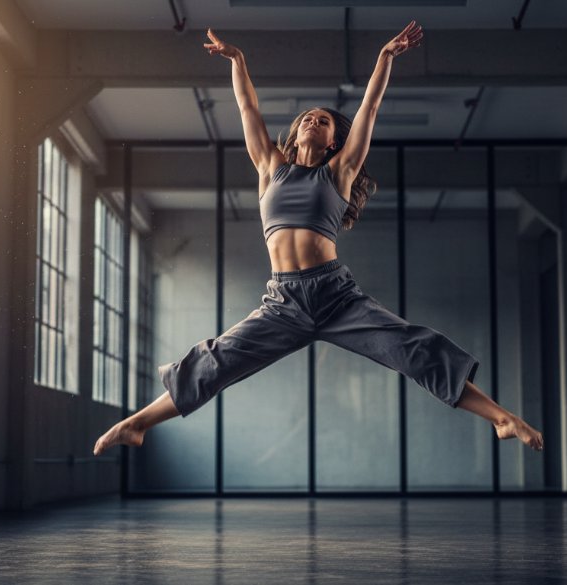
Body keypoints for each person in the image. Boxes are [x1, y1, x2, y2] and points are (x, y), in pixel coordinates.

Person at [94, 22, 544, 456]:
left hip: (334, 295)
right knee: (218, 360)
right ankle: (137, 424)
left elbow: (369, 110)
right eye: (308, 117)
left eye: (324, 120)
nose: (314, 120)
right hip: (283, 302)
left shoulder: (339, 173)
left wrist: (385, 58)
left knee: (413, 347)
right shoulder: (271, 168)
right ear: (294, 136)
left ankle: (501, 418)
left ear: (332, 142)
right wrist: (238, 61)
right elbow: (248, 109)